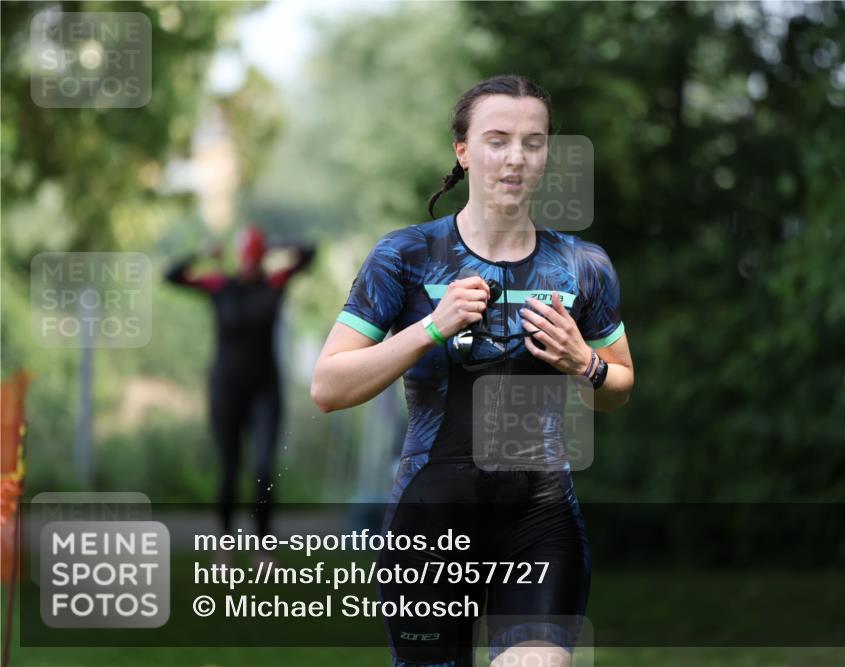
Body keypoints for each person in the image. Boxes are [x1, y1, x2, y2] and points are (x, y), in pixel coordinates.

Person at [311, 74, 634, 667]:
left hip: (539, 516)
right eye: (497, 139)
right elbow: (328, 386)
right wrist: (431, 327)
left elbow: (619, 384)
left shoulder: (583, 265)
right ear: (463, 150)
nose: (515, 157)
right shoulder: (405, 257)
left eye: (533, 142)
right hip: (432, 522)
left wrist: (582, 363)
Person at [166, 226, 315, 540]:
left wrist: (274, 245)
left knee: (263, 470)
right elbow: (172, 275)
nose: (247, 264)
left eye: (253, 256)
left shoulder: (274, 283)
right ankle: (225, 544)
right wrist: (202, 254)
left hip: (265, 390)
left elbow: (309, 252)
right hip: (226, 390)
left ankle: (263, 547)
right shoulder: (221, 286)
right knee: (230, 470)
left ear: (259, 257)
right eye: (245, 257)